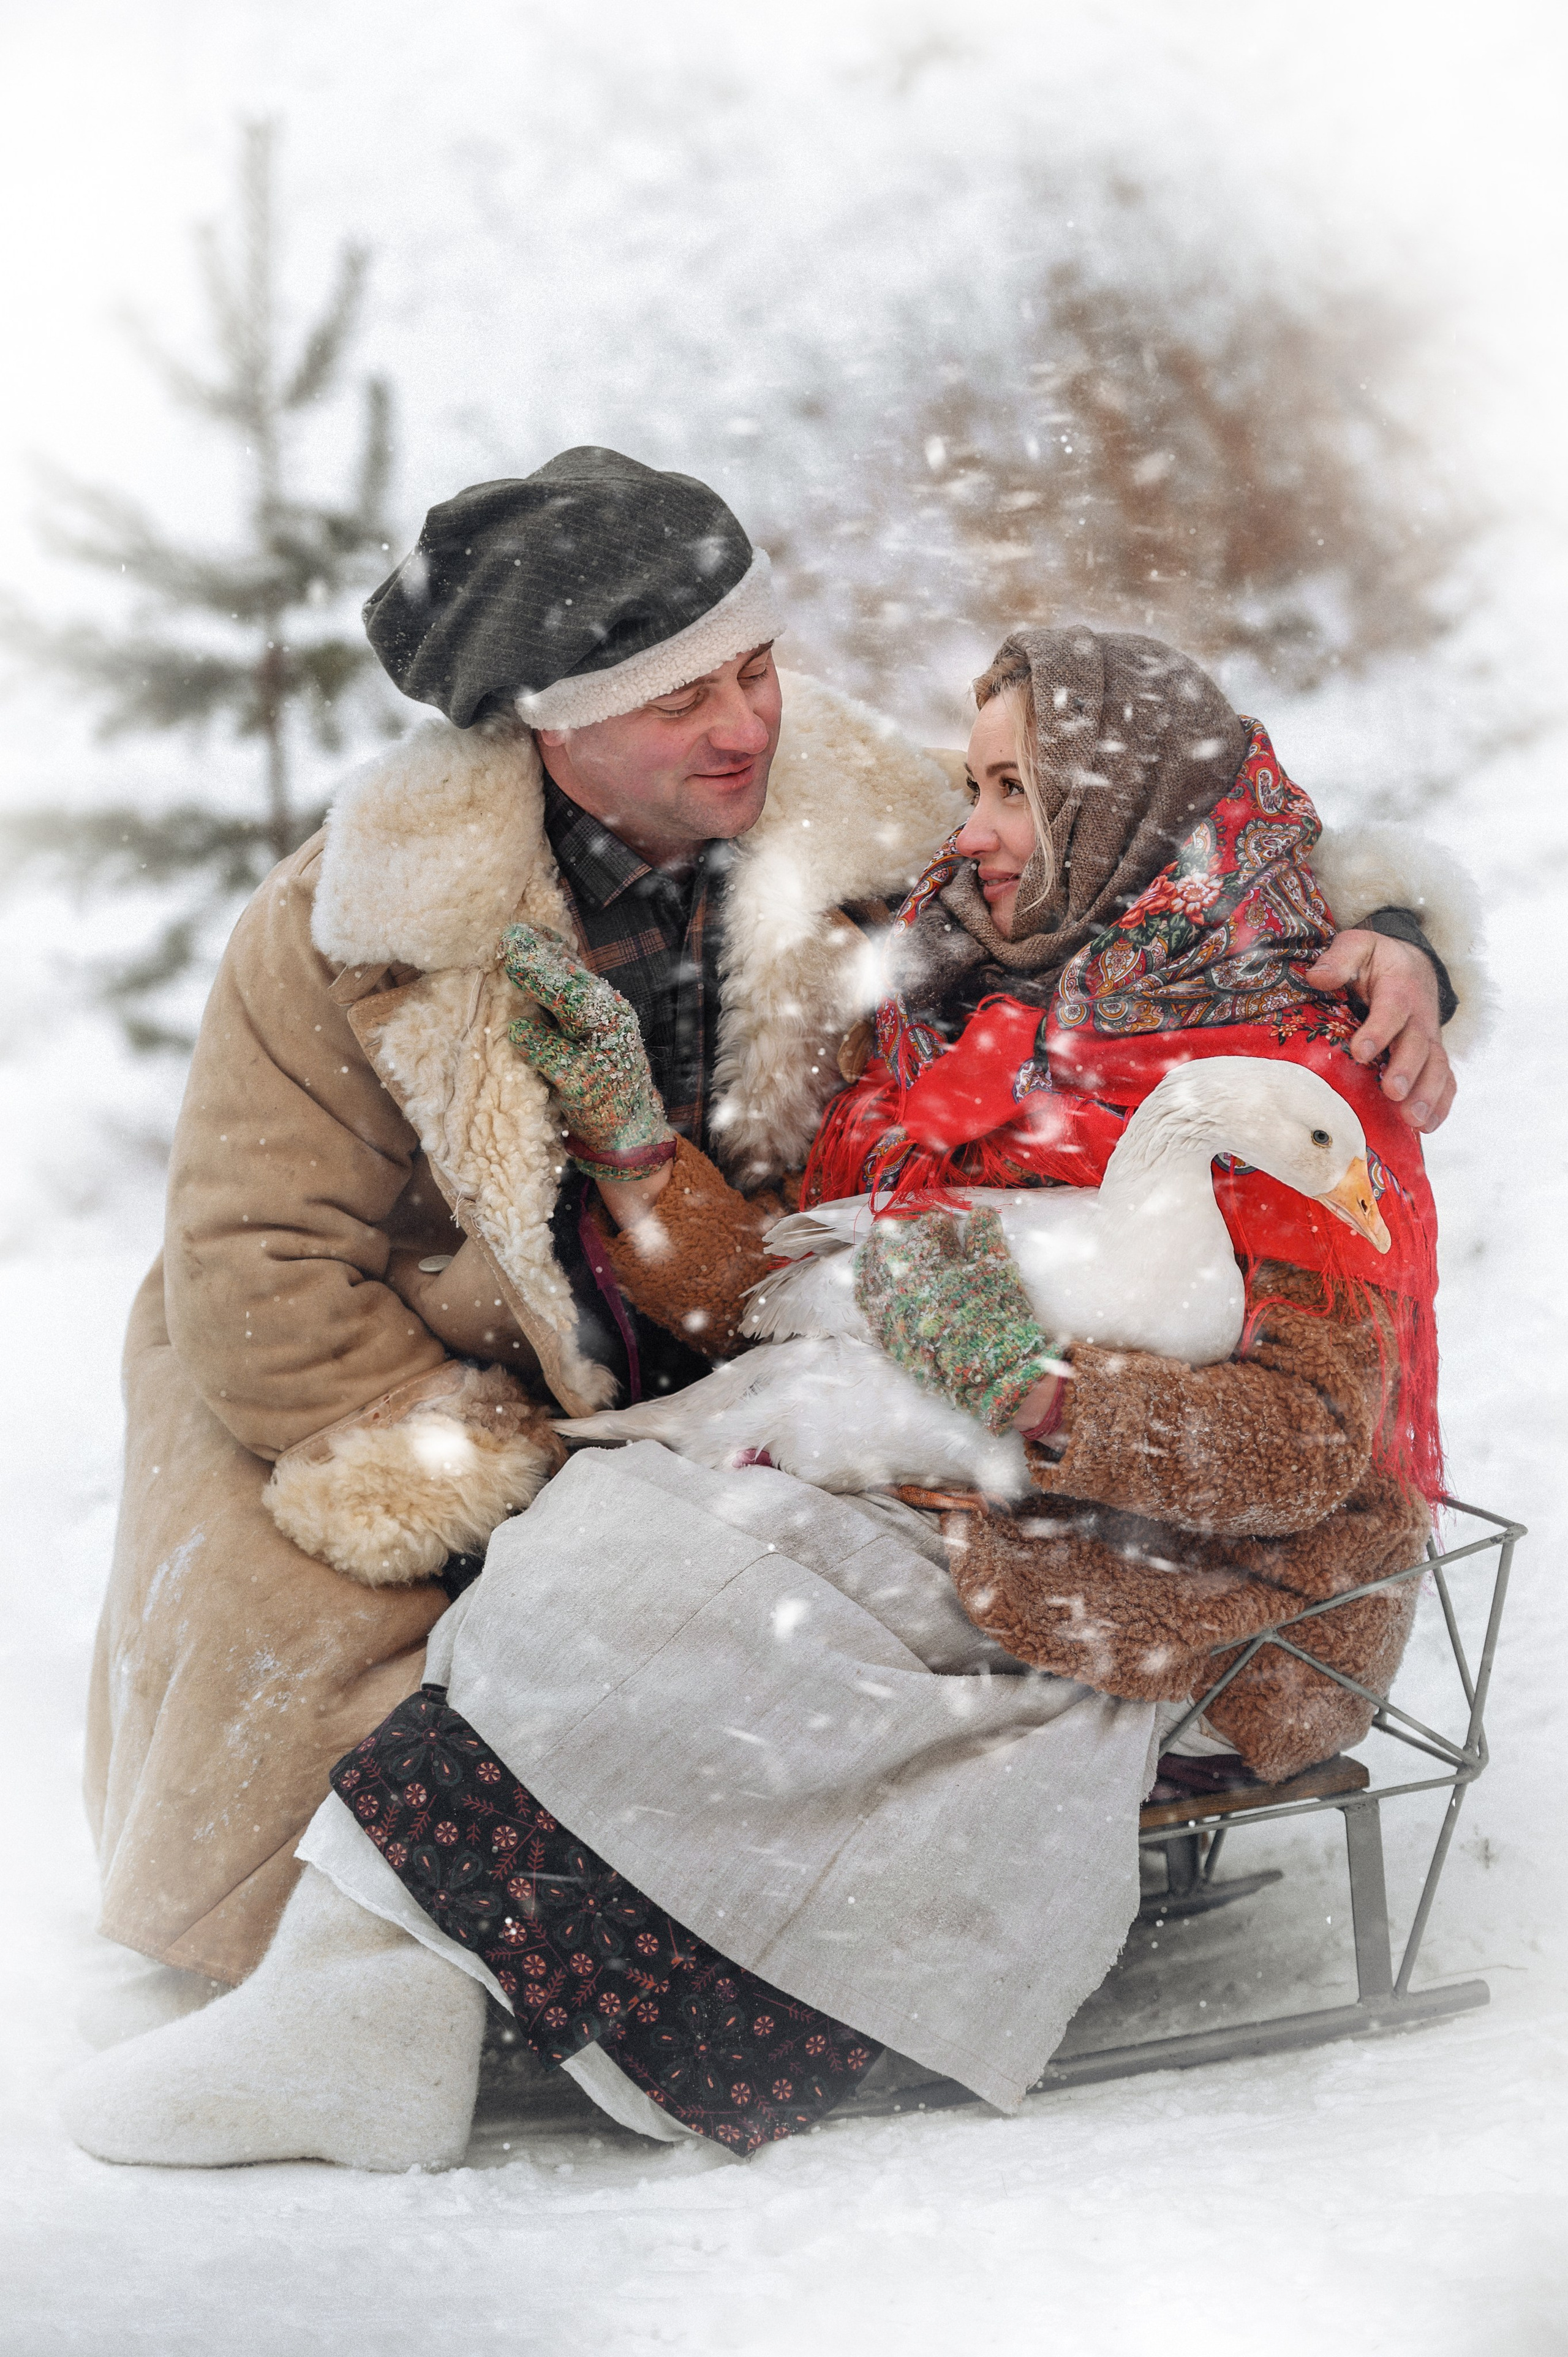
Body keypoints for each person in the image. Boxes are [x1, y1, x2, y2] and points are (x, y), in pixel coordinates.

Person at [64, 586, 1480, 2170]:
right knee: (600, 1544)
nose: (970, 825)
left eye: (1016, 790)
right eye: (976, 779)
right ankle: (381, 2007)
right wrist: (635, 1148)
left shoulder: (1293, 1068)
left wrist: (1043, 1397)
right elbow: (779, 1298)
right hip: (973, 1478)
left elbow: (1308, 1446)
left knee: (689, 1599)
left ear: (1122, 813)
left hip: (1196, 1573)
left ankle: (501, 2016)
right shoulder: (971, 1000)